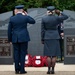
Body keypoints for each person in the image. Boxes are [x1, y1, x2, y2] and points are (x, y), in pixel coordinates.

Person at [8, 5, 35, 74]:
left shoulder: (12, 18)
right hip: (23, 37)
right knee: (23, 53)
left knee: (16, 54)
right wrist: (27, 15)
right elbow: (33, 21)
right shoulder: (25, 17)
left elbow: (9, 30)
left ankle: (17, 69)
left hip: (15, 38)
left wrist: (10, 39)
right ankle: (22, 70)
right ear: (22, 10)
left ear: (16, 10)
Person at [41, 6, 68, 74]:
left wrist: (42, 38)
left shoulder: (44, 18)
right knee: (54, 55)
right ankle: (53, 70)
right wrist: (60, 12)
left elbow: (42, 30)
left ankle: (48, 70)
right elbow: (66, 16)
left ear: (47, 11)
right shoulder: (57, 18)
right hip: (55, 36)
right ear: (54, 11)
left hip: (47, 37)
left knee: (48, 55)